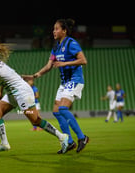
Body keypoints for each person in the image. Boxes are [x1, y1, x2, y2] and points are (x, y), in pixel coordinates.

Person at [0, 43, 69, 153]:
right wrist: (1, 91)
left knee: (35, 121)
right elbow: (6, 75)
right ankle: (4, 144)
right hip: (12, 93)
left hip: (22, 92)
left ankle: (62, 137)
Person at [24, 18, 89, 154]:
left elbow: (83, 60)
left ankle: (82, 137)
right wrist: (35, 75)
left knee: (63, 108)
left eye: (57, 29)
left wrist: (64, 64)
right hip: (64, 83)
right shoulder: (55, 47)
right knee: (56, 111)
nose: (54, 31)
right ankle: (69, 142)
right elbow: (49, 65)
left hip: (75, 80)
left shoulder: (71, 43)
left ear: (64, 31)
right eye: (53, 29)